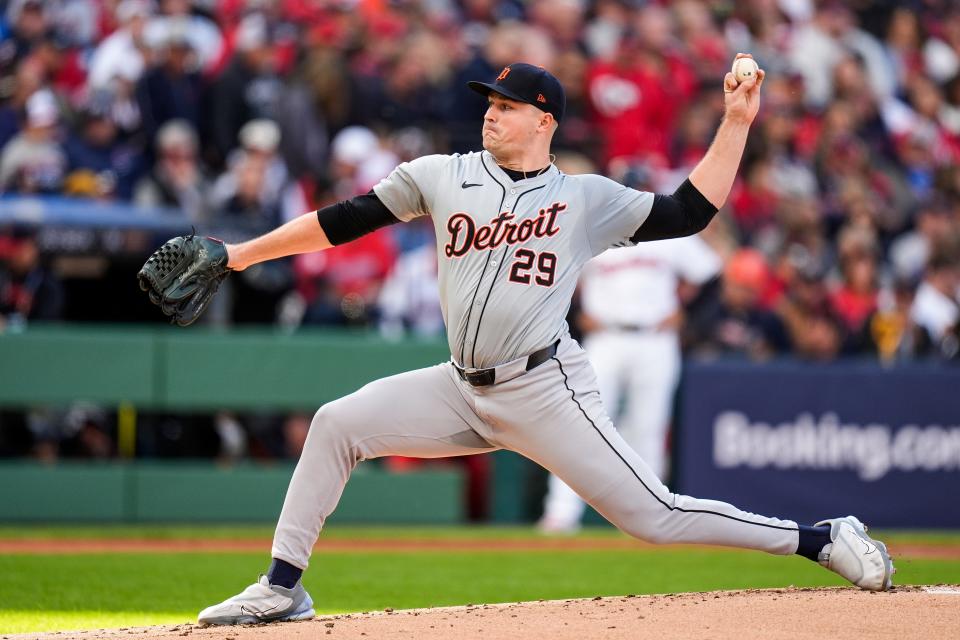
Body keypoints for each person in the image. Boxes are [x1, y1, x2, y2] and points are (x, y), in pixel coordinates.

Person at [191, 57, 894, 626]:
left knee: (654, 518)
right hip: (461, 386)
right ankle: (282, 588)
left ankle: (822, 539)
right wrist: (239, 255)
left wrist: (736, 122)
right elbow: (341, 221)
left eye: (506, 104)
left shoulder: (584, 199)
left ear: (543, 120)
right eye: (489, 102)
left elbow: (688, 211)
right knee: (336, 424)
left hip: (545, 388)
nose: (491, 112)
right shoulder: (443, 175)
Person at [538, 234, 721, 534]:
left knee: (648, 429)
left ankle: (647, 518)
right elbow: (550, 277)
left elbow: (712, 273)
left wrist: (688, 317)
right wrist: (571, 317)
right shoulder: (595, 225)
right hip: (605, 337)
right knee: (580, 424)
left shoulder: (667, 234)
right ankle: (560, 514)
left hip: (655, 338)